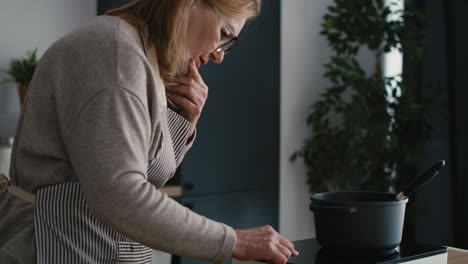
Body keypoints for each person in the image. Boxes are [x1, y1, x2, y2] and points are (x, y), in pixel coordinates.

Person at [0, 0, 299, 263]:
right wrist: (235, 241)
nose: (220, 55)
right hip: (54, 248)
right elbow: (122, 195)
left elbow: (146, 173)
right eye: (224, 34)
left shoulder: (143, 55)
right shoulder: (115, 54)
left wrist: (183, 118)